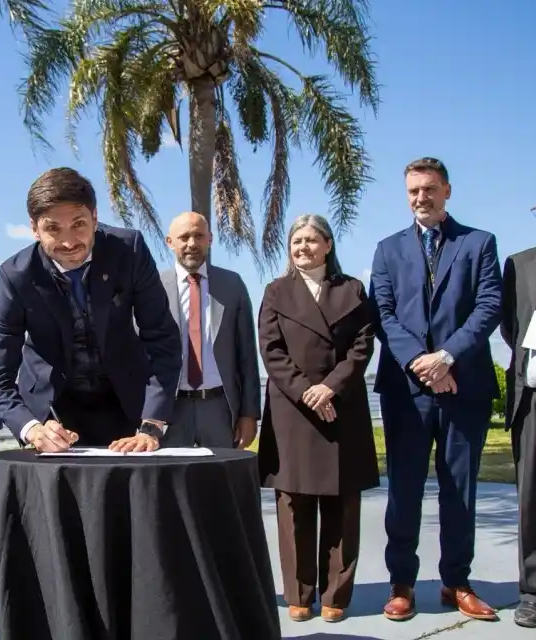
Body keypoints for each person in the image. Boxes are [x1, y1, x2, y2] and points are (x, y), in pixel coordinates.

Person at [370, 157, 501, 622]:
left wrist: (446, 356)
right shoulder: (387, 250)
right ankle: (401, 583)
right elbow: (382, 314)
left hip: (464, 386)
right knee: (403, 490)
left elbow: (489, 305)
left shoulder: (479, 243)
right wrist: (421, 364)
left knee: (458, 490)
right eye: (412, 192)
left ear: (447, 190)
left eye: (429, 189)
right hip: (406, 391)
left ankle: (456, 582)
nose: (420, 198)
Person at [0, 167, 181, 452]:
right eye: (53, 228)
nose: (69, 242)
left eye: (78, 224)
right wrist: (32, 429)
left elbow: (162, 339)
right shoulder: (16, 276)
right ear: (34, 229)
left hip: (128, 408)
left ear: (95, 217)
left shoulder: (130, 251)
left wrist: (151, 423)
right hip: (52, 416)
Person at [257, 214, 378, 623]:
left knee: (342, 507)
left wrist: (330, 387)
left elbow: (362, 347)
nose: (303, 248)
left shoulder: (353, 290)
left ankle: (335, 597)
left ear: (327, 245)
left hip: (342, 408)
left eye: (311, 240)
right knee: (293, 505)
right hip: (293, 411)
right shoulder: (275, 292)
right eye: (296, 241)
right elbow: (271, 351)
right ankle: (298, 593)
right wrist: (308, 392)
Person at [159, 211, 260, 448]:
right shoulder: (153, 287)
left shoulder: (232, 285)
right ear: (170, 242)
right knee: (169, 483)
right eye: (184, 237)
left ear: (210, 239)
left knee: (221, 483)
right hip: (170, 411)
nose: (192, 244)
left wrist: (249, 413)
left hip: (220, 409)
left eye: (199, 236)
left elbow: (246, 354)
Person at [500, 243, 536, 627]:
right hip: (533, 398)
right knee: (531, 497)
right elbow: (511, 327)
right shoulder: (520, 264)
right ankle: (532, 594)